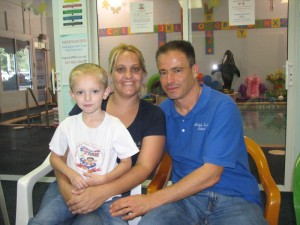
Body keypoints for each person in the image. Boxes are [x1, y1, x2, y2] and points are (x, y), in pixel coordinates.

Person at [110, 40, 268, 225]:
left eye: (177, 70)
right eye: (163, 72)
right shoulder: (162, 112)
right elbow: (140, 159)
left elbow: (211, 173)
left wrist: (151, 200)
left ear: (194, 70)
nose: (169, 80)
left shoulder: (222, 106)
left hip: (234, 198)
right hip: (186, 199)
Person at [34, 44, 166, 225]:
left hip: (112, 193)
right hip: (71, 187)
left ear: (143, 73)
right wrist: (67, 191)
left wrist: (101, 191)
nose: (128, 75)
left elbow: (143, 167)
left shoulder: (152, 115)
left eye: (135, 69)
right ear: (111, 75)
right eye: (120, 69)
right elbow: (61, 156)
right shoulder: (88, 105)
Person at [28, 63, 140, 225]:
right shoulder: (68, 125)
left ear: (105, 92)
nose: (87, 98)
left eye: (94, 91)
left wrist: (104, 179)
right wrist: (71, 174)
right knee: (41, 221)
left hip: (106, 197)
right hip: (73, 193)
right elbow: (55, 158)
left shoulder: (115, 126)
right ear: (72, 94)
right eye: (80, 92)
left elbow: (126, 162)